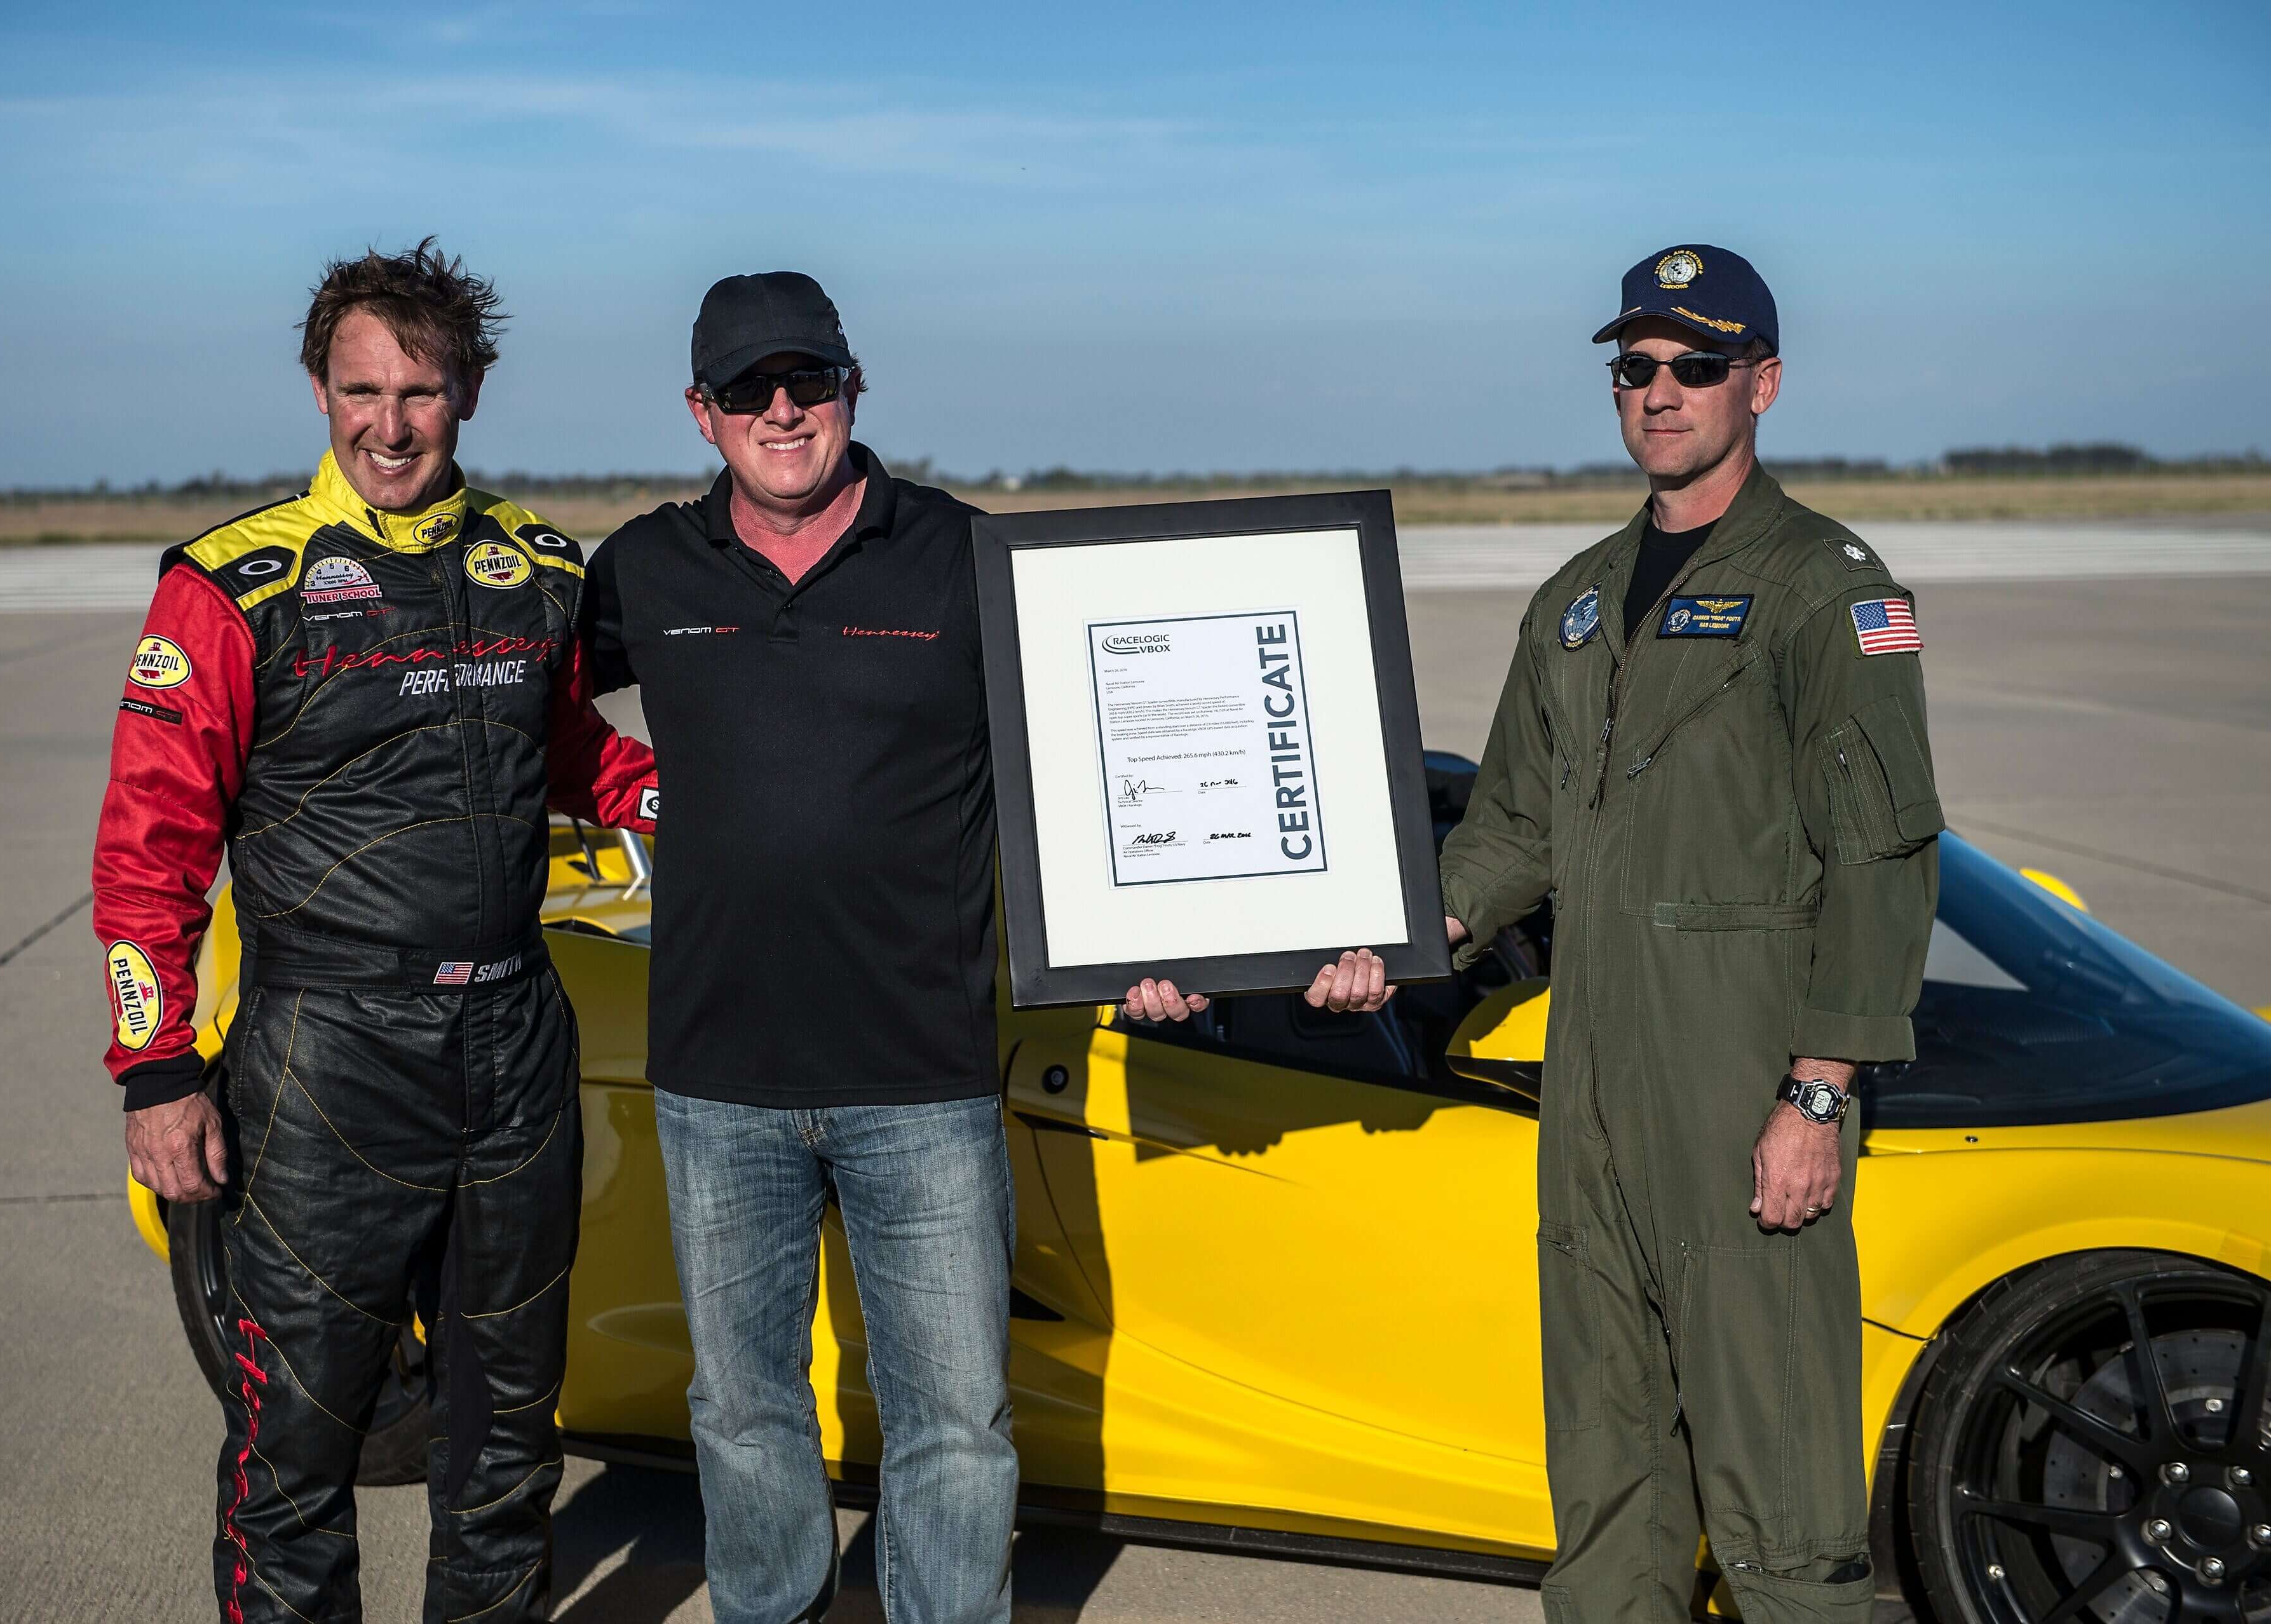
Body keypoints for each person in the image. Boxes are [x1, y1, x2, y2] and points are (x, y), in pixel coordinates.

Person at [580, 271, 1390, 1624]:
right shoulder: (645, 567)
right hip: (719, 1080)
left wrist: (1174, 931)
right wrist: (639, 792)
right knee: (741, 1410)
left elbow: (1111, 743)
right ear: (699, 411)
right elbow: (520, 708)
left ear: (853, 389)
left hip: (925, 1077)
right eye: (747, 390)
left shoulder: (966, 556)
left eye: (807, 381)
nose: (782, 411)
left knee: (955, 1423)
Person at [93, 238, 657, 1624]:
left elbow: (570, 752)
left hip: (514, 1043)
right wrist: (157, 1073)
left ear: (470, 391)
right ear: (318, 391)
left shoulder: (536, 563)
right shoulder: (233, 585)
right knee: (295, 1450)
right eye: (363, 391)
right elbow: (149, 851)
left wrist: (716, 798)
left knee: (509, 1442)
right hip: (327, 1058)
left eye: (420, 391)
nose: (390, 426)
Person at [1435, 245, 1941, 1624]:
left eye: (1697, 366)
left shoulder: (1827, 588)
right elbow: (1512, 826)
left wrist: (1818, 1092)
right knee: (1607, 1503)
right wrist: (1413, 927)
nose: (1660, 392)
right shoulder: (1578, 598)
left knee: (1783, 1510)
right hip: (1591, 1094)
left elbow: (1884, 859)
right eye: (1637, 368)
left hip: (1741, 1092)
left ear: (1760, 385)